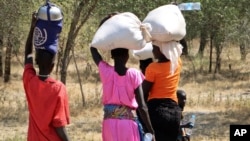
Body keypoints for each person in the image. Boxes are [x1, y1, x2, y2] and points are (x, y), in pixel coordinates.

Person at [90, 13, 155, 141]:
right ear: (127, 56)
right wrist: (151, 130)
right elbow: (142, 106)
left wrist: (105, 22)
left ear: (112, 56)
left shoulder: (105, 71)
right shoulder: (134, 74)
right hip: (128, 125)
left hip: (108, 124)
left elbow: (93, 48)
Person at [22, 12, 70, 141]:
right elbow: (59, 125)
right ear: (53, 66)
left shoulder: (30, 81)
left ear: (36, 62)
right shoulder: (58, 88)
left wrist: (32, 27)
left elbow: (27, 55)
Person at [142, 42, 183, 141]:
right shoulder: (177, 62)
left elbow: (144, 91)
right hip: (174, 111)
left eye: (154, 48)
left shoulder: (153, 68)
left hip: (157, 111)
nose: (152, 51)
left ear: (161, 50)